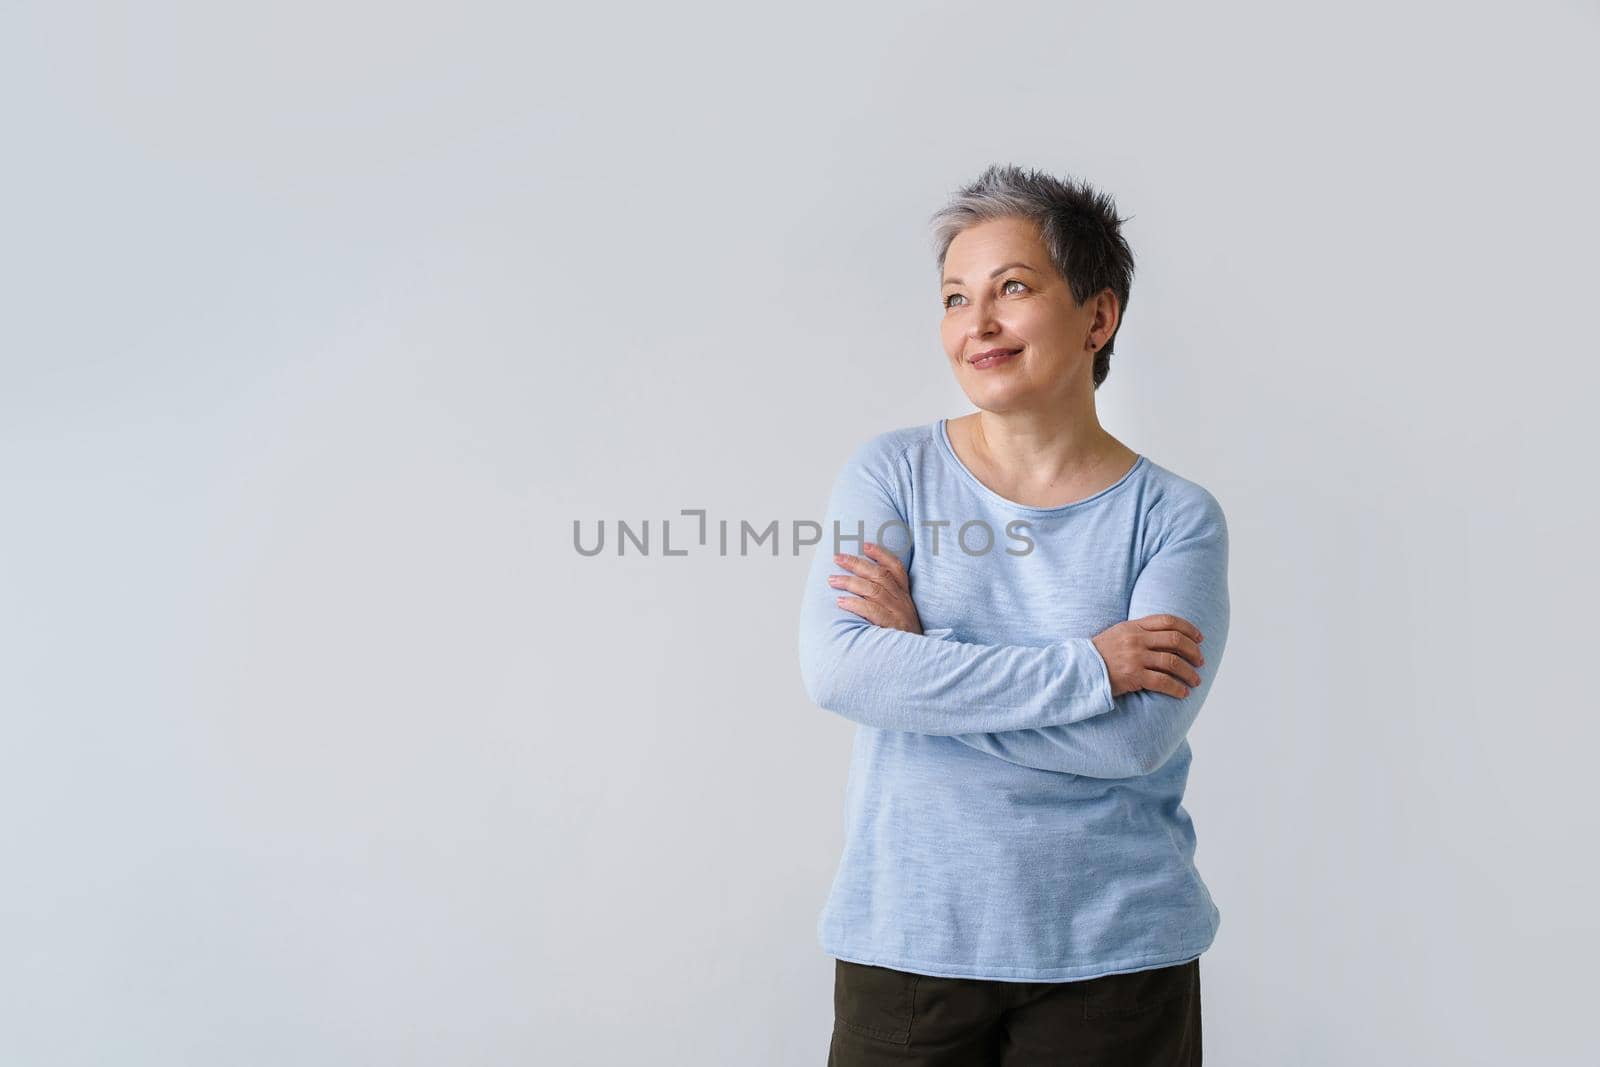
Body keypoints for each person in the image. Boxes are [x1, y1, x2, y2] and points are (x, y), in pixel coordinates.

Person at [796, 164, 1230, 1066]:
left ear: (1098, 317)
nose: (976, 324)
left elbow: (1130, 743)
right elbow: (841, 672)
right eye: (956, 297)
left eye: (1013, 288)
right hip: (910, 943)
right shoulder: (891, 476)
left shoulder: (1176, 518)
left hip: (1116, 958)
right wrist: (1088, 670)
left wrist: (919, 667)